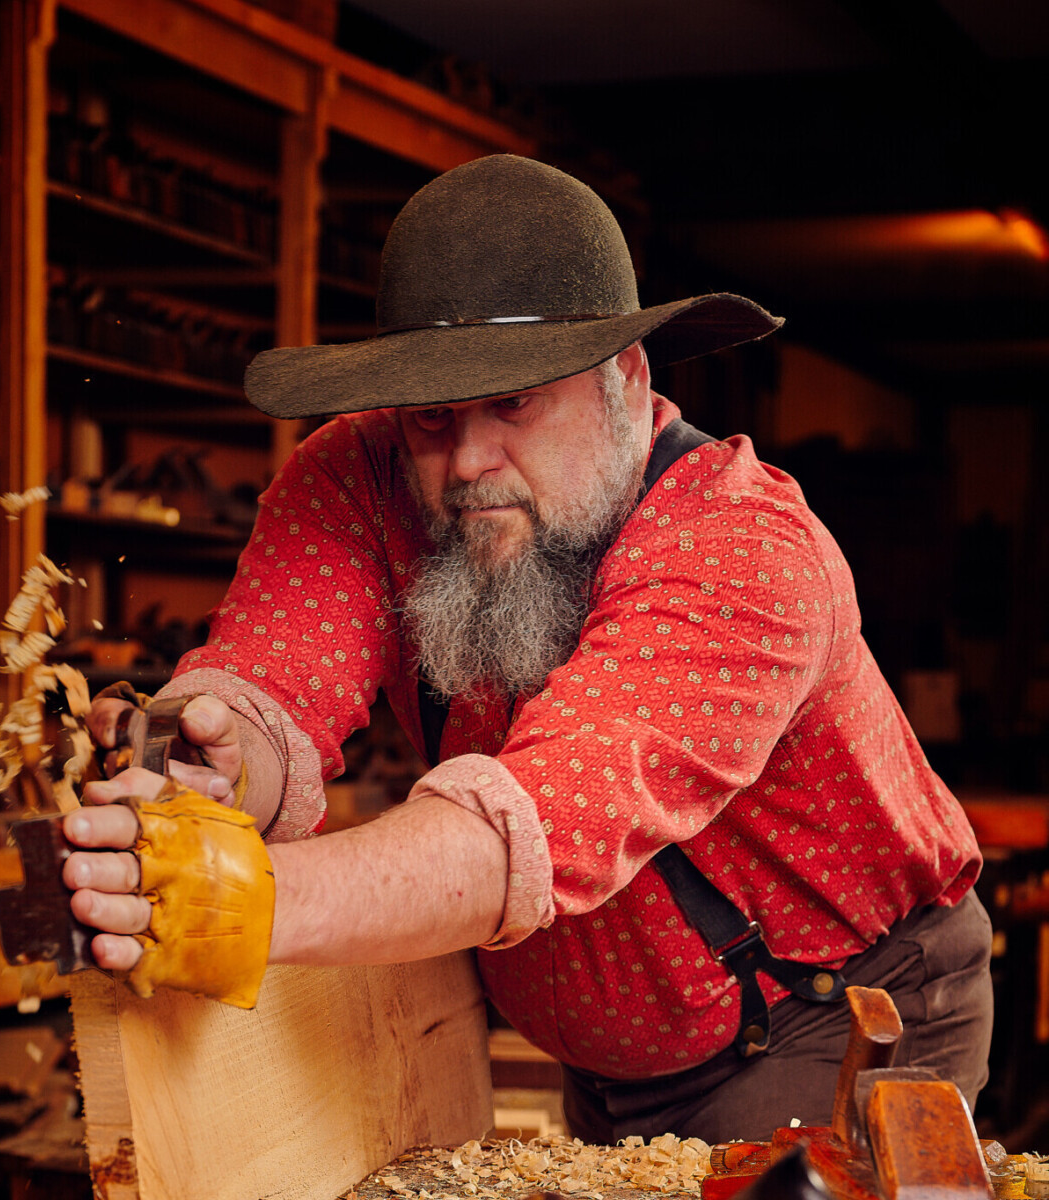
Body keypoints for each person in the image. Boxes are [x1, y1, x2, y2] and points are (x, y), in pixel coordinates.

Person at [61, 154, 992, 1144]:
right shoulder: (356, 476)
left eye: (515, 403)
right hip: (613, 1060)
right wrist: (214, 765)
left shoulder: (742, 553)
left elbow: (532, 826)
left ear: (626, 385)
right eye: (433, 414)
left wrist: (237, 899)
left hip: (829, 1020)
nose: (466, 463)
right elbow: (269, 682)